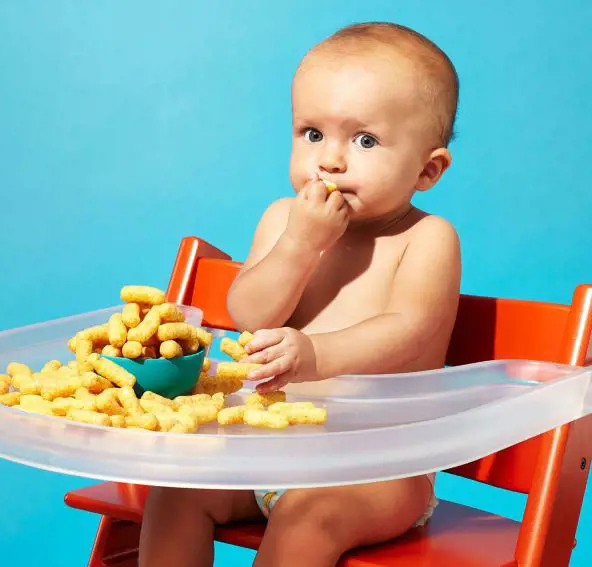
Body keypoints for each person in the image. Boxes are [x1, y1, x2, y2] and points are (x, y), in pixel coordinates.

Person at [140, 21, 462, 567]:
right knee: (176, 489)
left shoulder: (426, 239)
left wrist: (315, 354)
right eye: (313, 134)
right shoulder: (283, 219)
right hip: (265, 450)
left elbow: (409, 331)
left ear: (427, 170)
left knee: (306, 518)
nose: (330, 160)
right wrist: (299, 245)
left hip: (376, 468)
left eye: (364, 140)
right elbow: (249, 313)